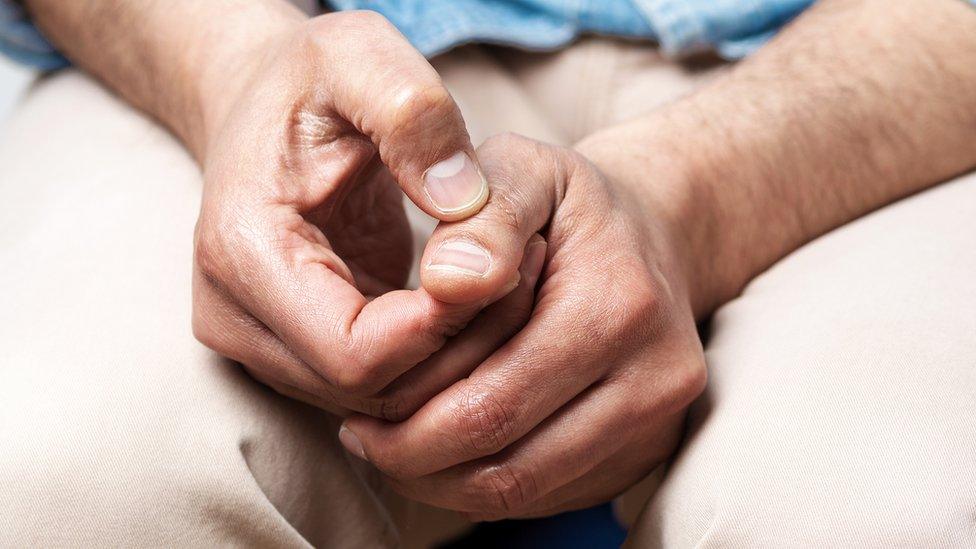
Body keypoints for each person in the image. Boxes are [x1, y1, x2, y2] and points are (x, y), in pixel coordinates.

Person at [1, 0, 975, 546]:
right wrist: (235, 67)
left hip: (882, 72)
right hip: (258, 36)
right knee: (73, 482)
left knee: (887, 515)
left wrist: (696, 197)